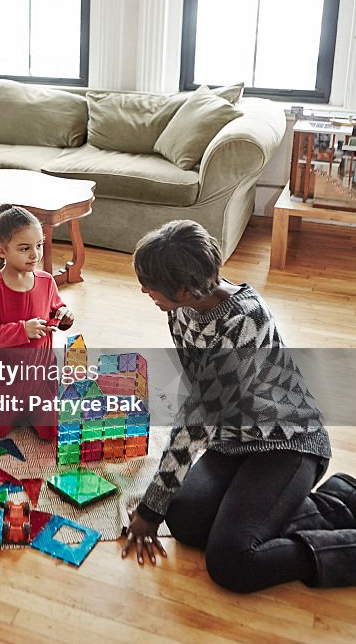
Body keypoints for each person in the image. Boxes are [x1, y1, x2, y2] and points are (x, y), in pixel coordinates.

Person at [121, 219, 356, 592]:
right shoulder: (179, 308)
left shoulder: (246, 319)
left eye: (150, 286)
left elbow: (195, 424)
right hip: (232, 440)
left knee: (232, 561)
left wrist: (150, 510)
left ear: (186, 288)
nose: (145, 290)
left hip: (286, 443)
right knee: (184, 522)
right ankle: (341, 499)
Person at [0, 204, 74, 439]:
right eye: (24, 248)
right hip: (5, 377)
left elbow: (55, 308)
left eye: (38, 245)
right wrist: (22, 330)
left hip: (39, 375)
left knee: (51, 432)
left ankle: (31, 408)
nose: (35, 254)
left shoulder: (46, 281)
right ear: (1, 251)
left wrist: (64, 316)